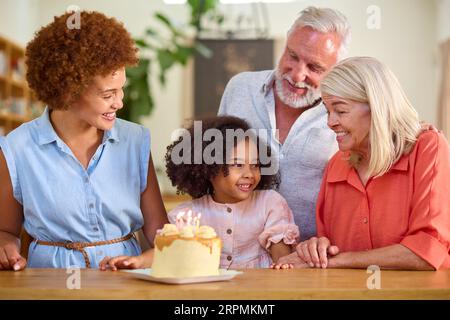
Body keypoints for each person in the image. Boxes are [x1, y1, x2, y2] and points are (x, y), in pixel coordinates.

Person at [0, 11, 168, 270]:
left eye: (121, 89)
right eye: (108, 94)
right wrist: (7, 249)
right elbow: (6, 232)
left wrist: (144, 260)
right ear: (68, 91)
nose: (119, 102)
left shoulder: (135, 141)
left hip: (122, 283)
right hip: (49, 284)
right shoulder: (17, 147)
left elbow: (162, 236)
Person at [276, 57, 450, 270]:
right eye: (327, 111)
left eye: (340, 111)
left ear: (377, 107)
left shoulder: (428, 147)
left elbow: (428, 251)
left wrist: (337, 261)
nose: (330, 122)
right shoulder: (335, 165)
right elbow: (330, 247)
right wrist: (317, 249)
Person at [218, 7, 350, 241]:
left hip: (307, 259)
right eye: (293, 56)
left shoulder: (344, 114)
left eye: (315, 68)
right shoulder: (240, 88)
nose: (297, 74)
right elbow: (215, 165)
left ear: (336, 71)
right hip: (234, 251)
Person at [99, 116, 299, 270]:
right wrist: (137, 261)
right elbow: (169, 252)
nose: (249, 174)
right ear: (209, 169)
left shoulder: (270, 203)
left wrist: (283, 265)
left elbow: (280, 253)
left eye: (255, 165)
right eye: (237, 164)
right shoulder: (189, 215)